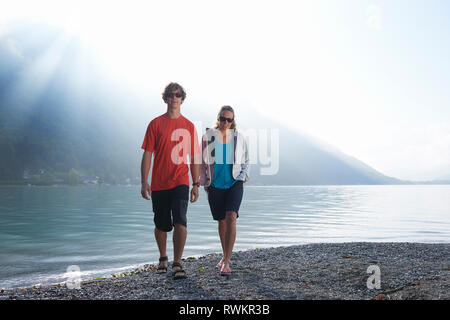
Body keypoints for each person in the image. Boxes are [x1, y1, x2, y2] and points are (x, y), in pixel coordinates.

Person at [140, 82, 200, 280]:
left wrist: (196, 184)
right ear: (165, 98)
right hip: (159, 183)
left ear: (182, 98)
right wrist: (144, 181)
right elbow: (148, 154)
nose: (174, 98)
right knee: (161, 225)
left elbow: (194, 158)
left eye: (178, 95)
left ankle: (177, 262)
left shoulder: (189, 126)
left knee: (181, 221)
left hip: (181, 181)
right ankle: (163, 257)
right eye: (171, 95)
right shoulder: (155, 124)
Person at [199, 106, 250, 276]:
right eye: (223, 118)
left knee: (231, 217)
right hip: (215, 186)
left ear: (233, 121)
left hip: (235, 183)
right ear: (218, 118)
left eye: (229, 120)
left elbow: (247, 159)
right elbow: (201, 161)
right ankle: (224, 255)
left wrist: (242, 176)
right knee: (221, 221)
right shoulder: (209, 137)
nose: (225, 122)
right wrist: (203, 181)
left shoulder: (238, 137)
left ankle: (227, 261)